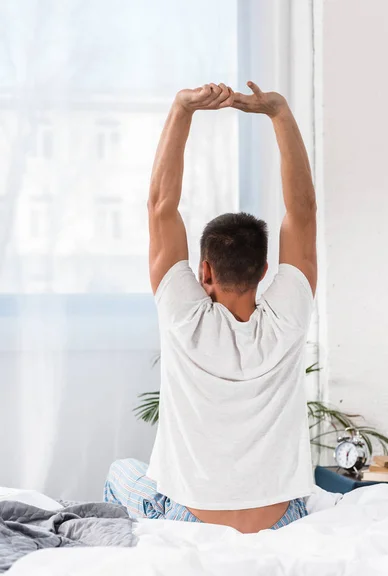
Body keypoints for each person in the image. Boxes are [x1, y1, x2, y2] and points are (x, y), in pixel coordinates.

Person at [105, 82, 317, 534]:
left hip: (190, 518)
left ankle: (147, 547)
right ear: (265, 271)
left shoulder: (184, 316)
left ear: (204, 272)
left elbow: (160, 205)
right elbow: (303, 212)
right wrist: (279, 112)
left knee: (120, 471)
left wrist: (183, 107)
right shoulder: (289, 317)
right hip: (283, 519)